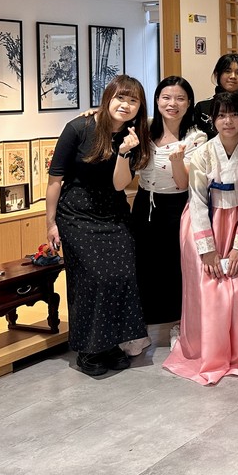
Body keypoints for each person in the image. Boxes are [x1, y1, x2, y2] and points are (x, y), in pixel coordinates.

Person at [46, 74, 151, 376]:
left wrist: (124, 152)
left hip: (114, 212)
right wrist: (50, 223)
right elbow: (55, 181)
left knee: (123, 276)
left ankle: (112, 343)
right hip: (76, 213)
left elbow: (119, 185)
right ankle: (89, 349)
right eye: (120, 98)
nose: (125, 105)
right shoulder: (78, 128)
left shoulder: (134, 136)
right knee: (95, 278)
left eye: (133, 100)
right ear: (107, 98)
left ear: (139, 106)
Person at [164, 92, 238, 385]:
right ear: (212, 119)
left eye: (234, 114)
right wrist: (207, 249)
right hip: (204, 222)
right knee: (208, 285)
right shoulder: (202, 153)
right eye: (221, 115)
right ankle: (206, 352)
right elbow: (197, 201)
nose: (228, 121)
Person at [131, 76, 206, 332]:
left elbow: (183, 183)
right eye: (166, 97)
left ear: (189, 103)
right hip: (144, 203)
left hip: (177, 206)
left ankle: (178, 325)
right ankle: (142, 327)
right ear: (157, 100)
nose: (172, 103)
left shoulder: (196, 137)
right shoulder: (144, 128)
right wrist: (93, 113)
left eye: (180, 98)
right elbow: (114, 120)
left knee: (175, 265)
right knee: (144, 264)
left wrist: (176, 161)